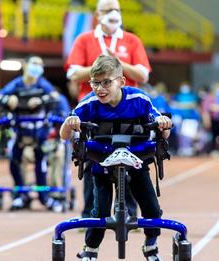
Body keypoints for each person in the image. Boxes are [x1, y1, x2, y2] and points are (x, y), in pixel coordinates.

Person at [60, 55, 171, 261]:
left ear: (121, 81)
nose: (99, 88)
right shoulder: (89, 103)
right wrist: (69, 123)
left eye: (106, 82)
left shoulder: (139, 99)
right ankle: (90, 250)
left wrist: (164, 124)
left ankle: (151, 245)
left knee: (152, 209)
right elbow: (64, 135)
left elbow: (164, 132)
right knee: (100, 212)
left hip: (136, 160)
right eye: (95, 82)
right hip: (102, 162)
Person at [65, 0, 150, 219]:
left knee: (132, 161)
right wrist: (101, 70)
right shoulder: (84, 39)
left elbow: (142, 75)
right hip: (93, 113)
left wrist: (117, 62)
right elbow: (73, 74)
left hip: (128, 112)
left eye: (117, 10)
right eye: (108, 10)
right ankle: (90, 215)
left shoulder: (131, 40)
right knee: (91, 161)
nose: (113, 14)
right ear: (97, 14)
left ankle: (129, 214)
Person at [0, 56, 62, 212]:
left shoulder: (42, 84)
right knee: (14, 160)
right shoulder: (16, 84)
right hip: (19, 132)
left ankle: (44, 197)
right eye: (34, 64)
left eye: (40, 64)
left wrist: (40, 101)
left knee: (41, 161)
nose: (37, 67)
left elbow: (55, 97)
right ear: (26, 65)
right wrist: (8, 100)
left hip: (39, 133)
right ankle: (20, 195)